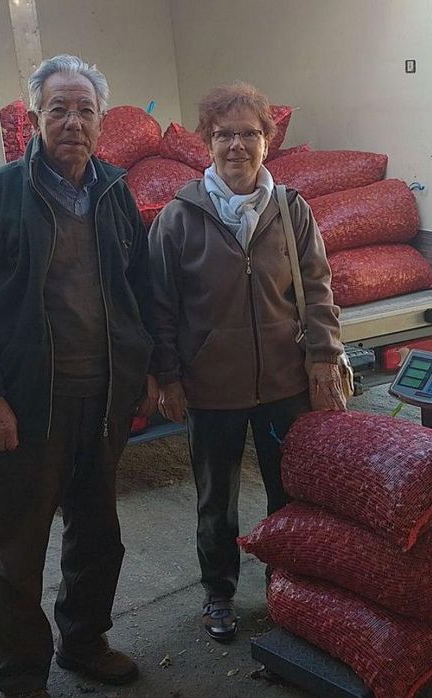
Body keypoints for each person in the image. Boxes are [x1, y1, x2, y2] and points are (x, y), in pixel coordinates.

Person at [0, 54, 158, 698]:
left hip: (104, 400)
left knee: (98, 536)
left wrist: (148, 370)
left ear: (102, 121)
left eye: (85, 110)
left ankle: (84, 641)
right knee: (19, 550)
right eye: (57, 109)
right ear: (34, 118)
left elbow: (140, 292)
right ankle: (22, 672)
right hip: (29, 405)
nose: (72, 122)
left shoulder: (116, 195)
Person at [148, 82, 347, 643]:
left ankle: (291, 590)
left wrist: (324, 357)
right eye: (224, 134)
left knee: (289, 494)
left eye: (250, 134)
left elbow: (318, 286)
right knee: (218, 501)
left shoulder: (290, 209)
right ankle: (219, 593)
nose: (238, 145)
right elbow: (159, 305)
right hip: (211, 388)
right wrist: (167, 376)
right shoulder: (178, 217)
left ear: (268, 140)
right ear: (207, 142)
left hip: (285, 383)